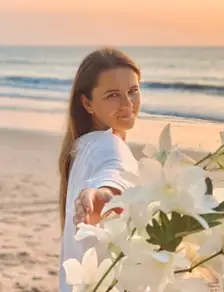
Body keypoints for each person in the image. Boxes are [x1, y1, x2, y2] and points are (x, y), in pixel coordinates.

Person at [58, 48, 141, 291]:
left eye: (133, 91)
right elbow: (114, 172)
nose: (127, 104)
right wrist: (103, 195)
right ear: (87, 103)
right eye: (113, 95)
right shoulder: (108, 145)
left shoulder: (80, 147)